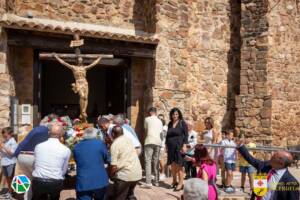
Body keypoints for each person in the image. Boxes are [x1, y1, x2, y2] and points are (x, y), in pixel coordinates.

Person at [13, 115, 56, 200]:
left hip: (22, 155)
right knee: (36, 179)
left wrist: (16, 153)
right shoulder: (48, 133)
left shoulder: (36, 130)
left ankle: (25, 197)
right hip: (33, 157)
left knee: (26, 178)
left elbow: (24, 142)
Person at [32, 123, 71, 200]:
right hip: (55, 182)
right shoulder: (66, 150)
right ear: (61, 135)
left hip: (38, 181)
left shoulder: (38, 146)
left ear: (49, 133)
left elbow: (34, 164)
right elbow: (64, 170)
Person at [73, 127, 109, 200]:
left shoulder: (76, 147)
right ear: (95, 135)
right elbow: (107, 159)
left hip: (83, 181)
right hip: (100, 180)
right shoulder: (100, 144)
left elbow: (77, 161)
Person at [108, 126, 142, 200]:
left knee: (119, 196)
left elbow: (113, 165)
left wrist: (110, 175)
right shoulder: (128, 140)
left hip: (125, 175)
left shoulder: (115, 144)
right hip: (137, 173)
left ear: (113, 134)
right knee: (129, 194)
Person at [165, 107, 188, 191]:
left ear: (179, 115)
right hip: (170, 146)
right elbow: (167, 136)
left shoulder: (182, 123)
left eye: (176, 114)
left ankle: (181, 183)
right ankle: (174, 181)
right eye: (174, 114)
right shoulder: (170, 123)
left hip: (179, 146)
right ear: (171, 115)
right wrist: (166, 145)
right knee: (173, 165)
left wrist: (184, 145)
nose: (175, 116)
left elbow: (186, 135)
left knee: (179, 165)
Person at [143, 107, 163, 187]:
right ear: (155, 112)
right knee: (156, 161)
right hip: (158, 142)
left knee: (148, 161)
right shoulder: (160, 121)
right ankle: (156, 181)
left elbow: (146, 130)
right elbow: (161, 133)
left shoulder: (147, 119)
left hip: (149, 140)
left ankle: (148, 182)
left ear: (150, 112)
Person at [0, 127, 18, 199]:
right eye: (3, 136)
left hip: (10, 163)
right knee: (7, 179)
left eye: (5, 136)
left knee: (11, 179)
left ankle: (12, 194)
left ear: (10, 134)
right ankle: (9, 192)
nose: (4, 137)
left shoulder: (13, 142)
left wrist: (3, 146)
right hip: (4, 162)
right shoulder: (6, 141)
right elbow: (3, 152)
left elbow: (12, 153)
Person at [158, 114, 168, 180]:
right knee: (157, 160)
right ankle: (158, 173)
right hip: (157, 144)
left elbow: (164, 136)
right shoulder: (158, 126)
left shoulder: (164, 127)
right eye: (159, 119)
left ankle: (163, 173)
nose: (160, 120)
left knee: (160, 159)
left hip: (161, 145)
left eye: (161, 119)